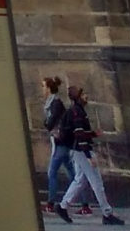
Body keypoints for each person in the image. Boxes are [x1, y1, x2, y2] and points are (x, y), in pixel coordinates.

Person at [52, 83, 123, 226]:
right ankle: (107, 213)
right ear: (78, 97)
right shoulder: (77, 112)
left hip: (76, 150)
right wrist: (88, 156)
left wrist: (92, 134)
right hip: (81, 151)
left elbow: (78, 133)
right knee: (96, 182)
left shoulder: (76, 111)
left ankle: (63, 206)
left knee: (80, 180)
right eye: (83, 94)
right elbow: (79, 135)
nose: (86, 97)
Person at [41, 76, 75, 211]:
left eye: (43, 86)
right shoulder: (53, 102)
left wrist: (47, 124)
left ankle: (51, 203)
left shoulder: (55, 102)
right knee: (73, 173)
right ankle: (85, 203)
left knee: (52, 172)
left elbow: (51, 121)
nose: (42, 89)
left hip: (60, 140)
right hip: (61, 140)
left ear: (49, 88)